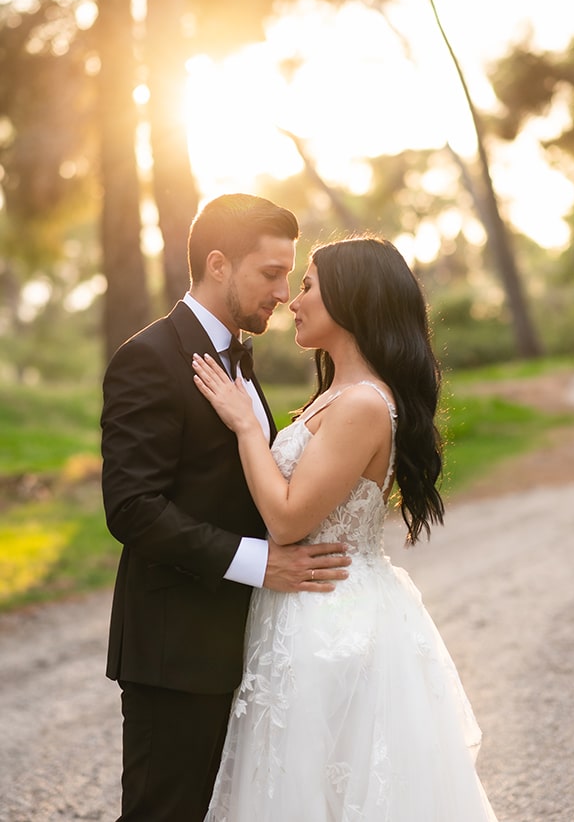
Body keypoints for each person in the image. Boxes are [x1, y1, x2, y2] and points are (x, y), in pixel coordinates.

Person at [192, 235, 499, 821]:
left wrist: (246, 428)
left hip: (333, 620)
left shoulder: (361, 404)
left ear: (351, 299)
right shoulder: (334, 396)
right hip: (300, 607)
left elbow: (286, 519)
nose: (292, 300)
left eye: (307, 286)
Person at [100, 193, 352, 822]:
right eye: (270, 274)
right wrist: (258, 562)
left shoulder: (238, 356)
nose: (282, 292)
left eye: (289, 276)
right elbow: (132, 507)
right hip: (175, 647)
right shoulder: (148, 358)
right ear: (219, 264)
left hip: (244, 644)